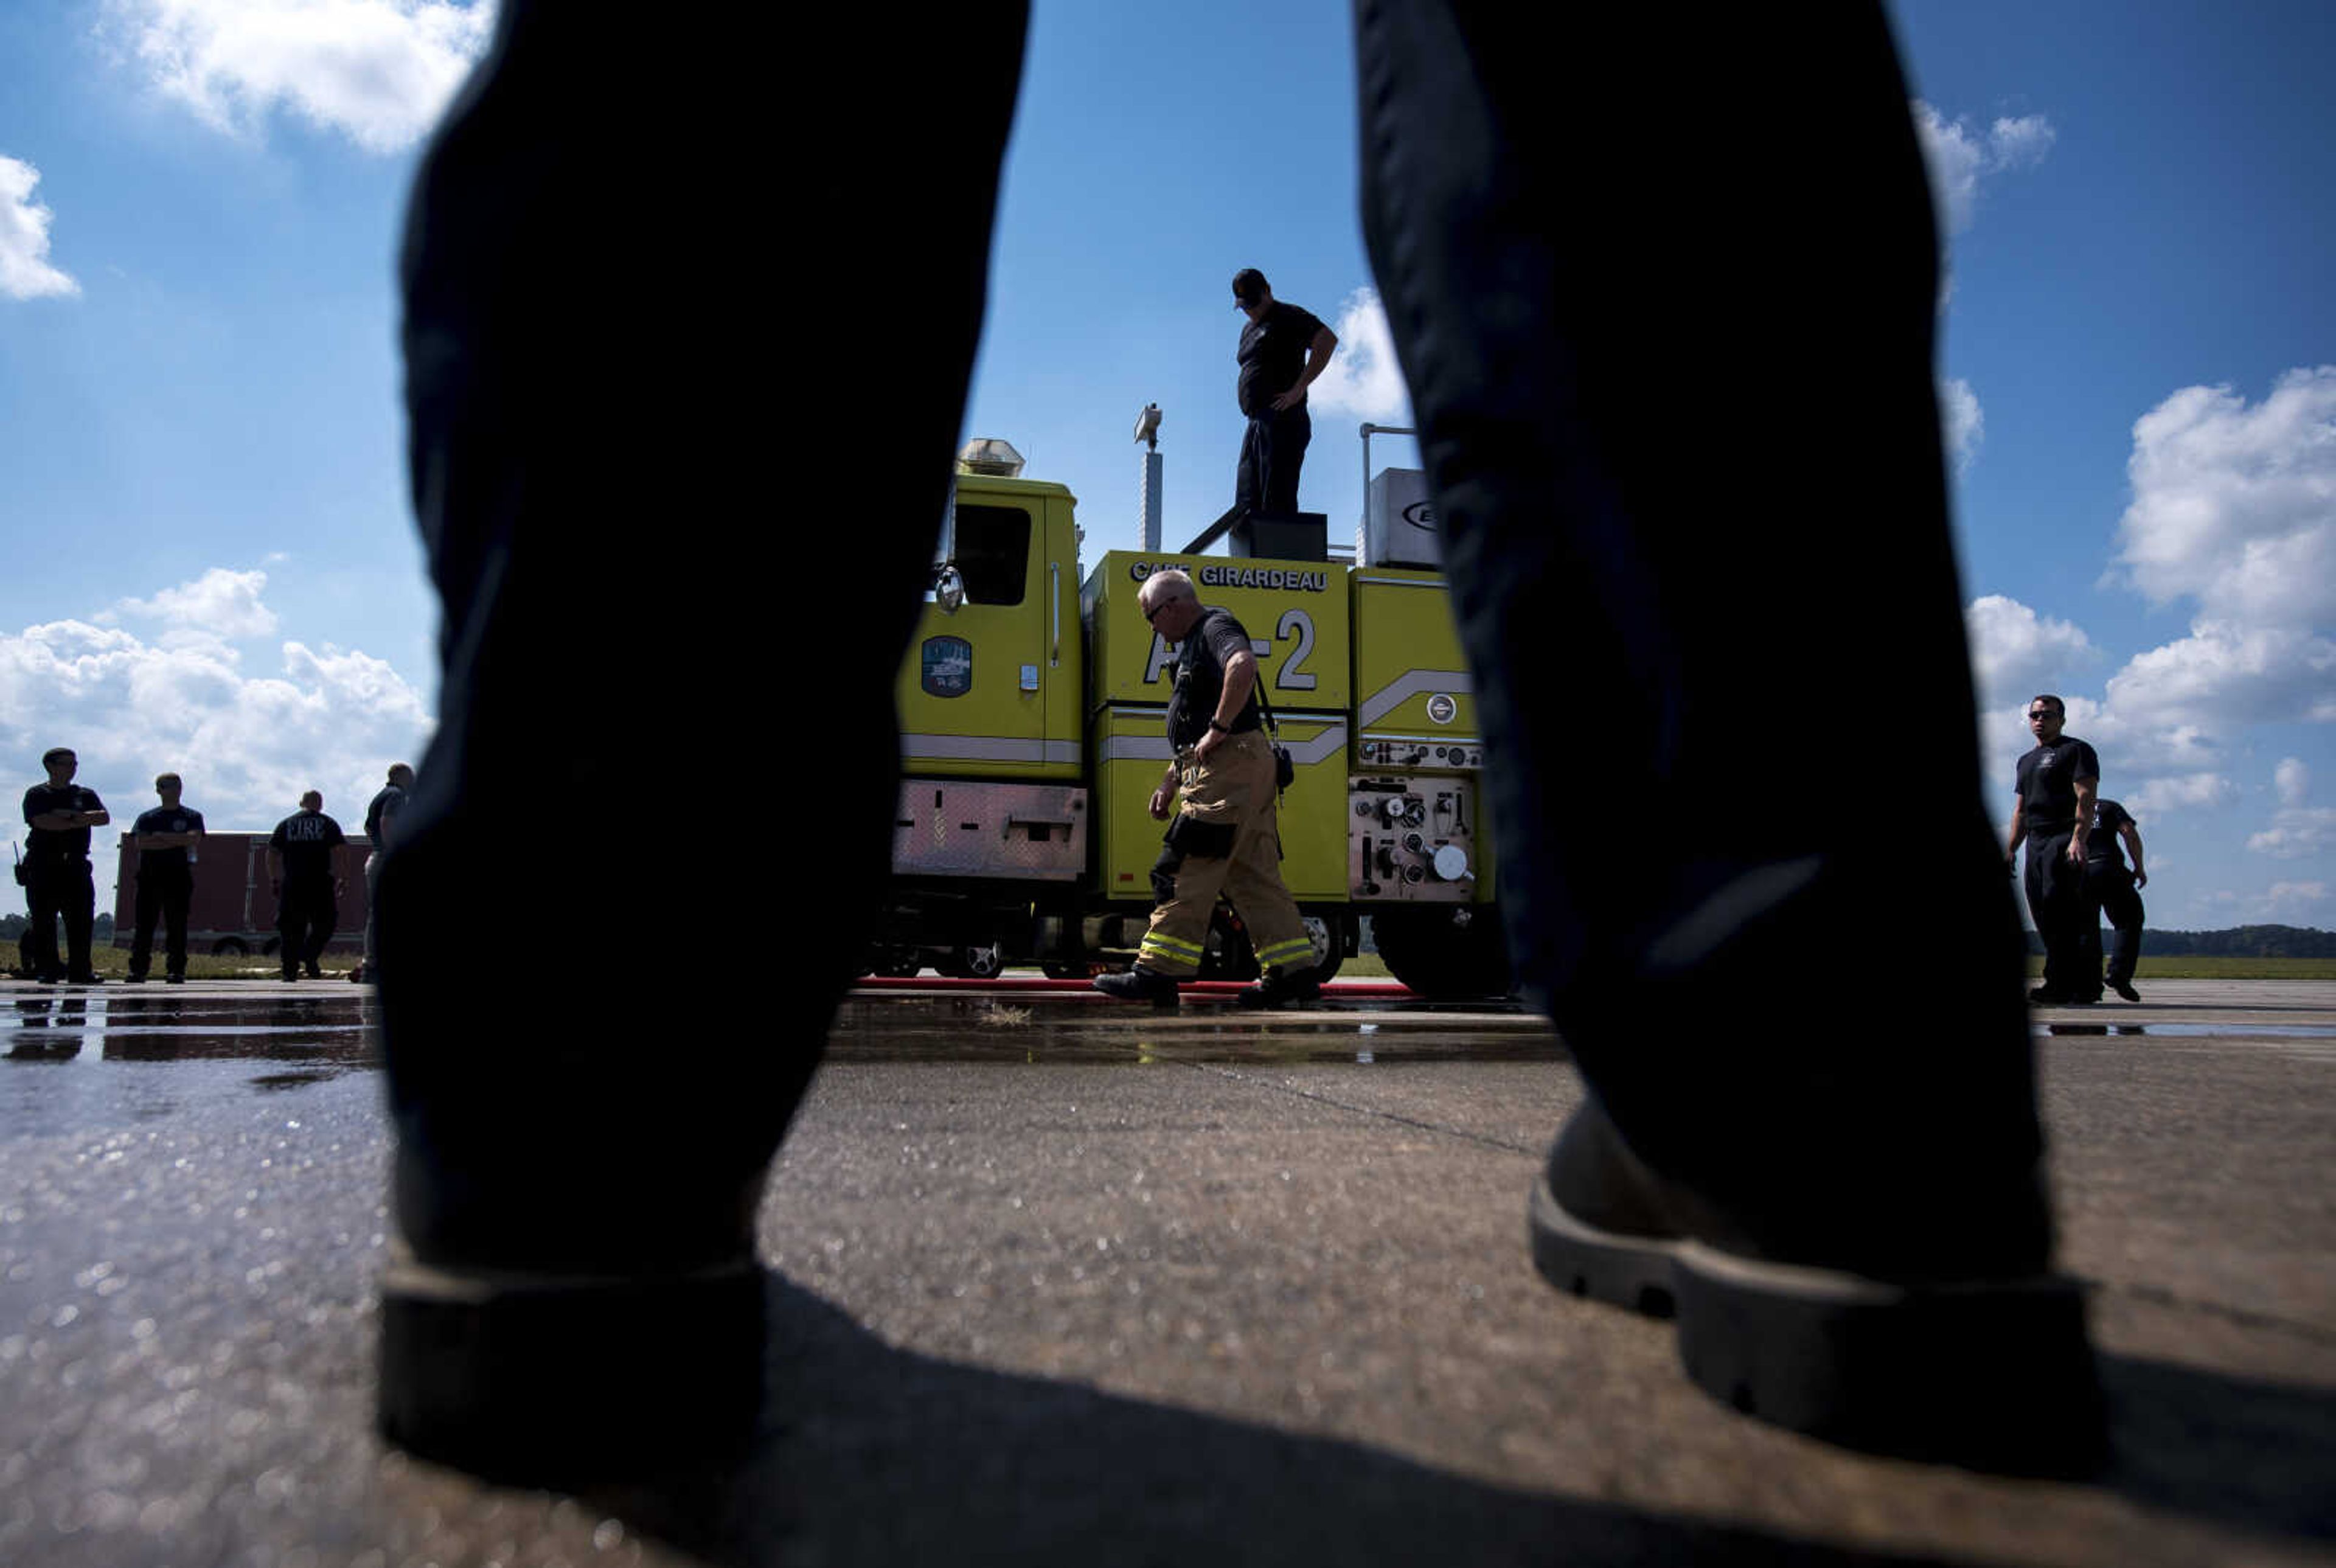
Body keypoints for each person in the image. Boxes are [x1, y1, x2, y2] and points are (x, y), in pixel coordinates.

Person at [375, 0, 2099, 1482]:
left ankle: (573, 1081)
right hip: (1273, 793)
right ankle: (1826, 1068)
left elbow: (1224, 732)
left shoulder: (1223, 605)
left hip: (1226, 785)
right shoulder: (1208, 614)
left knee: (741, 72)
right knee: (1618, 62)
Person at [1093, 569, 1321, 1009]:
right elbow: (1191, 734)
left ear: (1174, 605)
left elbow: (1243, 665)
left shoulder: (1214, 626)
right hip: (1236, 770)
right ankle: (1294, 973)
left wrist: (1218, 729)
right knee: (1252, 875)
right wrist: (1170, 779)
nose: (1153, 629)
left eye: (1151, 617)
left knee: (1184, 865)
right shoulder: (1192, 643)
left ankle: (1156, 972)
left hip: (1229, 769)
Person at [2005, 696, 2101, 1005]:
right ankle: (2064, 980)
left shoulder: (2076, 750)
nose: (2039, 720)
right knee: (2042, 912)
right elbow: (2021, 810)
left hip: (2063, 834)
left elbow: (2086, 797)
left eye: (2047, 715)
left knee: (2062, 909)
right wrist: (2010, 850)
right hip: (2036, 838)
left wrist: (2079, 838)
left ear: (2062, 719)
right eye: (2034, 715)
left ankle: (2076, 984)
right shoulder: (2025, 761)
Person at [1230, 268, 1337, 521]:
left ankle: (1279, 556)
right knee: (1247, 502)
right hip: (1255, 422)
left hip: (1282, 418)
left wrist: (1299, 387)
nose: (1251, 310)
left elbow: (1327, 340)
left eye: (1255, 303)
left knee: (1276, 499)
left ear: (1268, 291)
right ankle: (1250, 558)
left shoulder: (1288, 315)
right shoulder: (1247, 331)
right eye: (1246, 306)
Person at [21, 747, 110, 985]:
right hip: (44, 865)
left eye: (74, 764)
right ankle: (48, 969)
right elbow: (44, 822)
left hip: (76, 864)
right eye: (66, 763)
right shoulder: (37, 794)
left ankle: (80, 970)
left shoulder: (85, 794)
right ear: (51, 766)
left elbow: (103, 818)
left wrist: (67, 816)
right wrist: (79, 818)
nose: (72, 768)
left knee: (81, 920)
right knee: (44, 920)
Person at [125, 773, 205, 985]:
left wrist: (161, 837)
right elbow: (142, 843)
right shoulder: (148, 817)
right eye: (169, 786)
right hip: (150, 876)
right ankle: (138, 970)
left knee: (177, 925)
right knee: (144, 925)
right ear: (159, 790)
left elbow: (193, 839)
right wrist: (176, 841)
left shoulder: (192, 816)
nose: (175, 789)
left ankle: (176, 970)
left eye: (178, 786)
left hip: (178, 876)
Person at [268, 791, 348, 982]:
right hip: (320, 883)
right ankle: (309, 954)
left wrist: (275, 879)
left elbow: (272, 852)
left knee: (291, 928)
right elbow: (341, 851)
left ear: (301, 803)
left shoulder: (286, 824)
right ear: (320, 804)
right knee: (326, 924)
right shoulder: (328, 823)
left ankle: (290, 969)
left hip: (294, 883)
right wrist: (343, 877)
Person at [2082, 798, 2147, 1003]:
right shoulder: (2109, 807)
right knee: (2129, 918)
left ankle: (2089, 984)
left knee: (2086, 928)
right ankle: (2118, 974)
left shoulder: (2065, 808)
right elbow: (2129, 833)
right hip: (2108, 866)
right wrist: (2139, 867)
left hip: (2081, 870)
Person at [354, 764, 414, 984]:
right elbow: (386, 822)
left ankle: (372, 964)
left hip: (376, 856)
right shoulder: (397, 795)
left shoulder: (380, 796)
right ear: (402, 777)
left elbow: (369, 828)